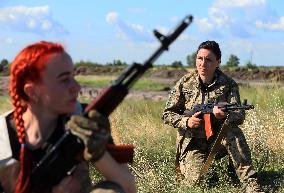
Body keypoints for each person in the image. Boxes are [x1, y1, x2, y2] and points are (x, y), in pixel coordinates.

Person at [0, 41, 136, 193]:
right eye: (64, 79)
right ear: (32, 91)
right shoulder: (2, 138)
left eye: (73, 76)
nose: (77, 87)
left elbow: (128, 187)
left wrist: (98, 152)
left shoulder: (82, 121)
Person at [162, 40, 265, 193]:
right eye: (199, 58)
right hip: (192, 144)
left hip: (217, 140)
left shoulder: (228, 84)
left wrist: (222, 116)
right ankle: (219, 172)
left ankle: (250, 182)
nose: (203, 63)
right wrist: (186, 121)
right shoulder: (184, 83)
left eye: (208, 59)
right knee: (197, 182)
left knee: (233, 131)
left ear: (218, 62)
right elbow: (167, 114)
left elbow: (239, 115)